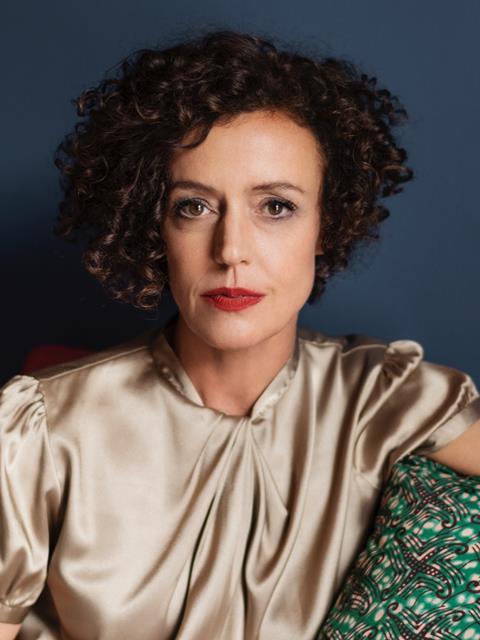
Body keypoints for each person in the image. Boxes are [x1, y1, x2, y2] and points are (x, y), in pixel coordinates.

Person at [1, 28, 479, 640]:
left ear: (327, 225)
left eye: (275, 206)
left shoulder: (380, 397)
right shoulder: (41, 426)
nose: (230, 250)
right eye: (194, 206)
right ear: (155, 228)